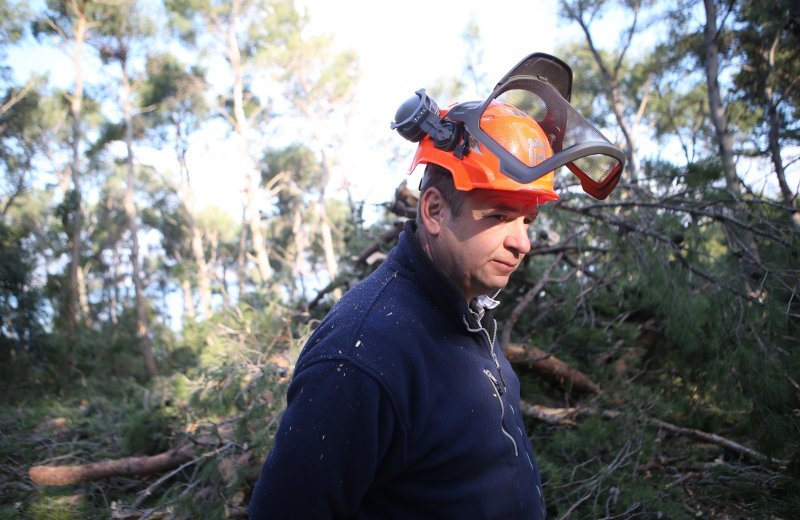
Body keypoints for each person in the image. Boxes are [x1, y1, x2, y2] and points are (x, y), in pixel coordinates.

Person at [249, 53, 624, 519]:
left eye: (528, 218)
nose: (523, 241)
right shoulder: (361, 354)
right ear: (433, 211)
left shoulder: (463, 312)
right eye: (499, 216)